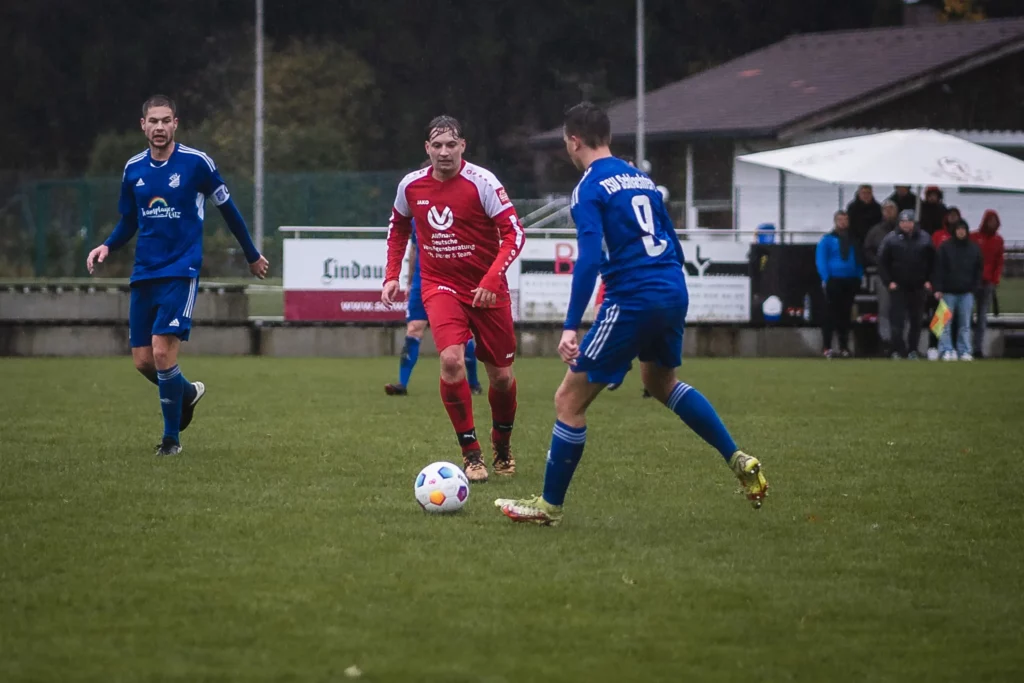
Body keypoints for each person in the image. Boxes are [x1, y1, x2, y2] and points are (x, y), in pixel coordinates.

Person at [494, 102, 766, 526]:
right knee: (660, 382)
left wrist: (570, 326)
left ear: (574, 141)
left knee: (568, 399)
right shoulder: (642, 179)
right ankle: (738, 458)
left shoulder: (589, 188)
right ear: (608, 137)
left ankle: (549, 506)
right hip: (671, 289)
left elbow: (588, 260)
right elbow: (672, 241)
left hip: (633, 297)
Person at [86, 95, 269, 456]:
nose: (159, 127)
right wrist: (107, 245)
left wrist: (252, 255)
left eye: (165, 120)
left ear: (175, 124)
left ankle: (171, 440)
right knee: (143, 361)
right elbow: (129, 220)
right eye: (153, 121)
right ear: (143, 125)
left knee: (162, 352)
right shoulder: (133, 169)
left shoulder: (197, 163)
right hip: (144, 272)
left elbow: (229, 210)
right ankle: (186, 392)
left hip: (181, 270)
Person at [381, 116, 524, 482]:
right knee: (450, 361)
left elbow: (515, 234)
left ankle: (502, 444)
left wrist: (492, 277)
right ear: (427, 149)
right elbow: (398, 227)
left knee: (501, 377)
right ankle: (471, 454)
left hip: (487, 289)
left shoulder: (483, 182)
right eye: (437, 145)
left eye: (450, 144)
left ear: (463, 146)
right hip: (440, 285)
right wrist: (392, 274)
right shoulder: (411, 186)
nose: (444, 152)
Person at [385, 224, 483, 396]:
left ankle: (473, 383)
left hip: (450, 280)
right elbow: (413, 250)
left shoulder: (455, 216)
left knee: (460, 332)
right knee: (414, 328)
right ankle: (402, 384)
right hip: (421, 281)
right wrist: (409, 282)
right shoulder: (416, 218)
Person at [878, 210, 934, 359]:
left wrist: (929, 280)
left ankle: (913, 350)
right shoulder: (890, 239)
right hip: (898, 286)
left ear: (914, 223)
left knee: (916, 321)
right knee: (897, 321)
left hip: (918, 286)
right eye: (903, 222)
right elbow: (882, 262)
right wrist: (888, 281)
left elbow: (933, 262)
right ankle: (898, 350)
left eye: (909, 222)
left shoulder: (925, 238)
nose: (906, 225)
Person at [816, 210, 863, 358]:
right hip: (834, 280)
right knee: (830, 314)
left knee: (846, 315)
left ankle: (844, 347)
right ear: (835, 221)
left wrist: (858, 276)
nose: (843, 222)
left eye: (845, 219)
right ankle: (827, 347)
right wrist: (826, 278)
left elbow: (858, 259)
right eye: (840, 220)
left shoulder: (853, 239)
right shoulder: (827, 239)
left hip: (850, 280)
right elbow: (821, 260)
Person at [933, 220, 982, 361]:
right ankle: (946, 350)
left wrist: (975, 287)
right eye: (958, 229)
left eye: (963, 229)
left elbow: (978, 269)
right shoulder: (945, 247)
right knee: (944, 323)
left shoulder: (974, 248)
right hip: (947, 292)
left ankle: (964, 351)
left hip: (966, 292)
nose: (961, 232)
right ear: (954, 231)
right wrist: (938, 288)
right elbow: (938, 269)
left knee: (965, 324)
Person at [864, 200, 898, 353]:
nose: (889, 212)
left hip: (902, 276)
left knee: (902, 310)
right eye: (886, 209)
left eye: (891, 209)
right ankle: (886, 341)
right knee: (884, 309)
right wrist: (877, 261)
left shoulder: (903, 229)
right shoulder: (875, 231)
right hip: (883, 276)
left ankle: (900, 341)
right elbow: (867, 249)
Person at [971, 210, 1005, 358]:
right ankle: (959, 346)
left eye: (994, 221)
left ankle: (977, 348)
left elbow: (999, 261)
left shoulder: (998, 240)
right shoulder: (974, 237)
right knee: (963, 314)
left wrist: (995, 279)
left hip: (987, 283)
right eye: (990, 220)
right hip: (971, 282)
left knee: (982, 316)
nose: (992, 223)